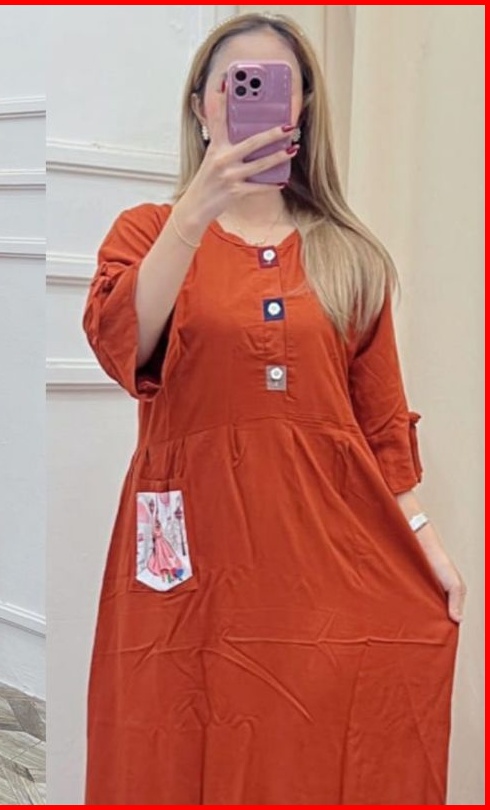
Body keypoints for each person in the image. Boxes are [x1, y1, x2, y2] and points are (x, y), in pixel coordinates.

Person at [82, 12, 464, 805]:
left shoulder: (348, 254)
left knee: (306, 743)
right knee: (173, 729)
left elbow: (380, 423)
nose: (253, 99)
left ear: (302, 109)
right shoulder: (149, 232)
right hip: (189, 548)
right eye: (235, 83)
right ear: (202, 105)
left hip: (321, 552)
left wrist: (423, 538)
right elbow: (124, 343)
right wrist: (197, 209)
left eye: (275, 85)